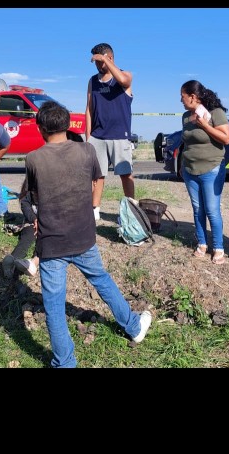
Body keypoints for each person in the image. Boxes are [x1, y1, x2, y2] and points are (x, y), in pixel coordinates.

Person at [25, 101, 151, 368]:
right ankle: (133, 326)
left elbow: (34, 198)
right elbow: (96, 179)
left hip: (51, 243)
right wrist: (93, 208)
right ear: (68, 125)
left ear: (40, 129)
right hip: (83, 236)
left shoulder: (33, 158)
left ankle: (64, 362)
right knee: (102, 280)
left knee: (54, 306)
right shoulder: (87, 150)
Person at [178, 80, 229, 265]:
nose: (181, 100)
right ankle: (202, 243)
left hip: (212, 169)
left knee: (212, 210)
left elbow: (226, 138)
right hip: (189, 170)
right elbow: (186, 142)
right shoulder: (186, 117)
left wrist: (205, 126)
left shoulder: (216, 113)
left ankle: (218, 247)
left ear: (193, 96)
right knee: (197, 209)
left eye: (183, 96)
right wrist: (182, 164)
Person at [85, 42, 136, 218]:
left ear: (111, 58)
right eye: (96, 63)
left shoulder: (125, 75)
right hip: (98, 136)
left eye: (101, 61)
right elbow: (89, 109)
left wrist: (106, 60)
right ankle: (94, 211)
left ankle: (131, 210)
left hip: (120, 136)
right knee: (97, 176)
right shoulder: (93, 81)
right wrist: (88, 137)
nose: (98, 66)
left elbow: (123, 81)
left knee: (125, 174)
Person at [1, 176, 39, 279]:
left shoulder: (31, 182)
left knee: (26, 239)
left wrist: (34, 219)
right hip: (39, 222)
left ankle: (14, 258)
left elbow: (24, 203)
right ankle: (33, 262)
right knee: (46, 239)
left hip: (32, 222)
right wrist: (35, 219)